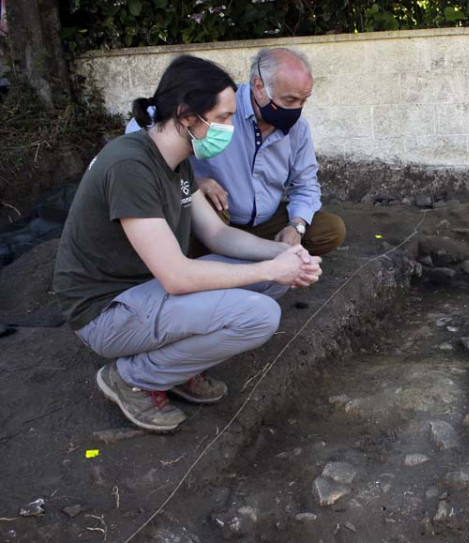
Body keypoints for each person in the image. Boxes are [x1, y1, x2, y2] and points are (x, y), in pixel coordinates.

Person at [54, 55, 322, 432]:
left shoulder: (178, 162)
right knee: (260, 316)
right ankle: (134, 377)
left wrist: (285, 254)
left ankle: (175, 366)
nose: (230, 128)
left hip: (146, 293)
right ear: (186, 115)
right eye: (224, 118)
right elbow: (177, 277)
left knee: (278, 279)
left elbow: (218, 234)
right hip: (106, 311)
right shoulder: (130, 165)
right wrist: (270, 266)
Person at [126, 47, 345, 257]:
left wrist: (296, 226)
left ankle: (253, 253)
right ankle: (216, 263)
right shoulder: (222, 102)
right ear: (259, 86)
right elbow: (149, 121)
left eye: (303, 101)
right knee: (206, 210)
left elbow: (306, 183)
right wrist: (193, 182)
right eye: (289, 100)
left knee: (331, 229)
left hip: (266, 222)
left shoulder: (298, 128)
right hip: (219, 217)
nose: (297, 109)